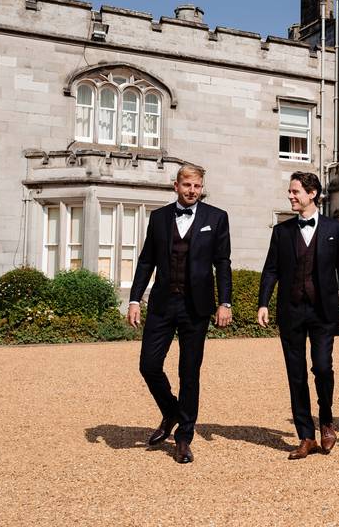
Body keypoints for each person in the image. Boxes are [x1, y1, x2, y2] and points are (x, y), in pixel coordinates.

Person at [127, 163, 233, 464]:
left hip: (196, 307)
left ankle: (184, 437)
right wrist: (135, 299)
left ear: (202, 187)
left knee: (189, 372)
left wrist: (225, 302)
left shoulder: (217, 217)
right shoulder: (159, 218)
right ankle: (171, 410)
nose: (192, 191)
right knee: (148, 365)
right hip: (162, 304)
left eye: (197, 186)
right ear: (176, 186)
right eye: (187, 185)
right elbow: (146, 261)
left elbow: (223, 263)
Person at [257, 171, 339, 460]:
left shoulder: (334, 229)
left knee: (323, 368)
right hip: (291, 311)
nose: (290, 196)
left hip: (323, 311)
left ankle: (326, 419)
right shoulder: (281, 231)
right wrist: (263, 303)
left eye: (295, 191)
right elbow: (271, 269)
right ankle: (306, 436)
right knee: (296, 374)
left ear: (312, 194)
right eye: (290, 192)